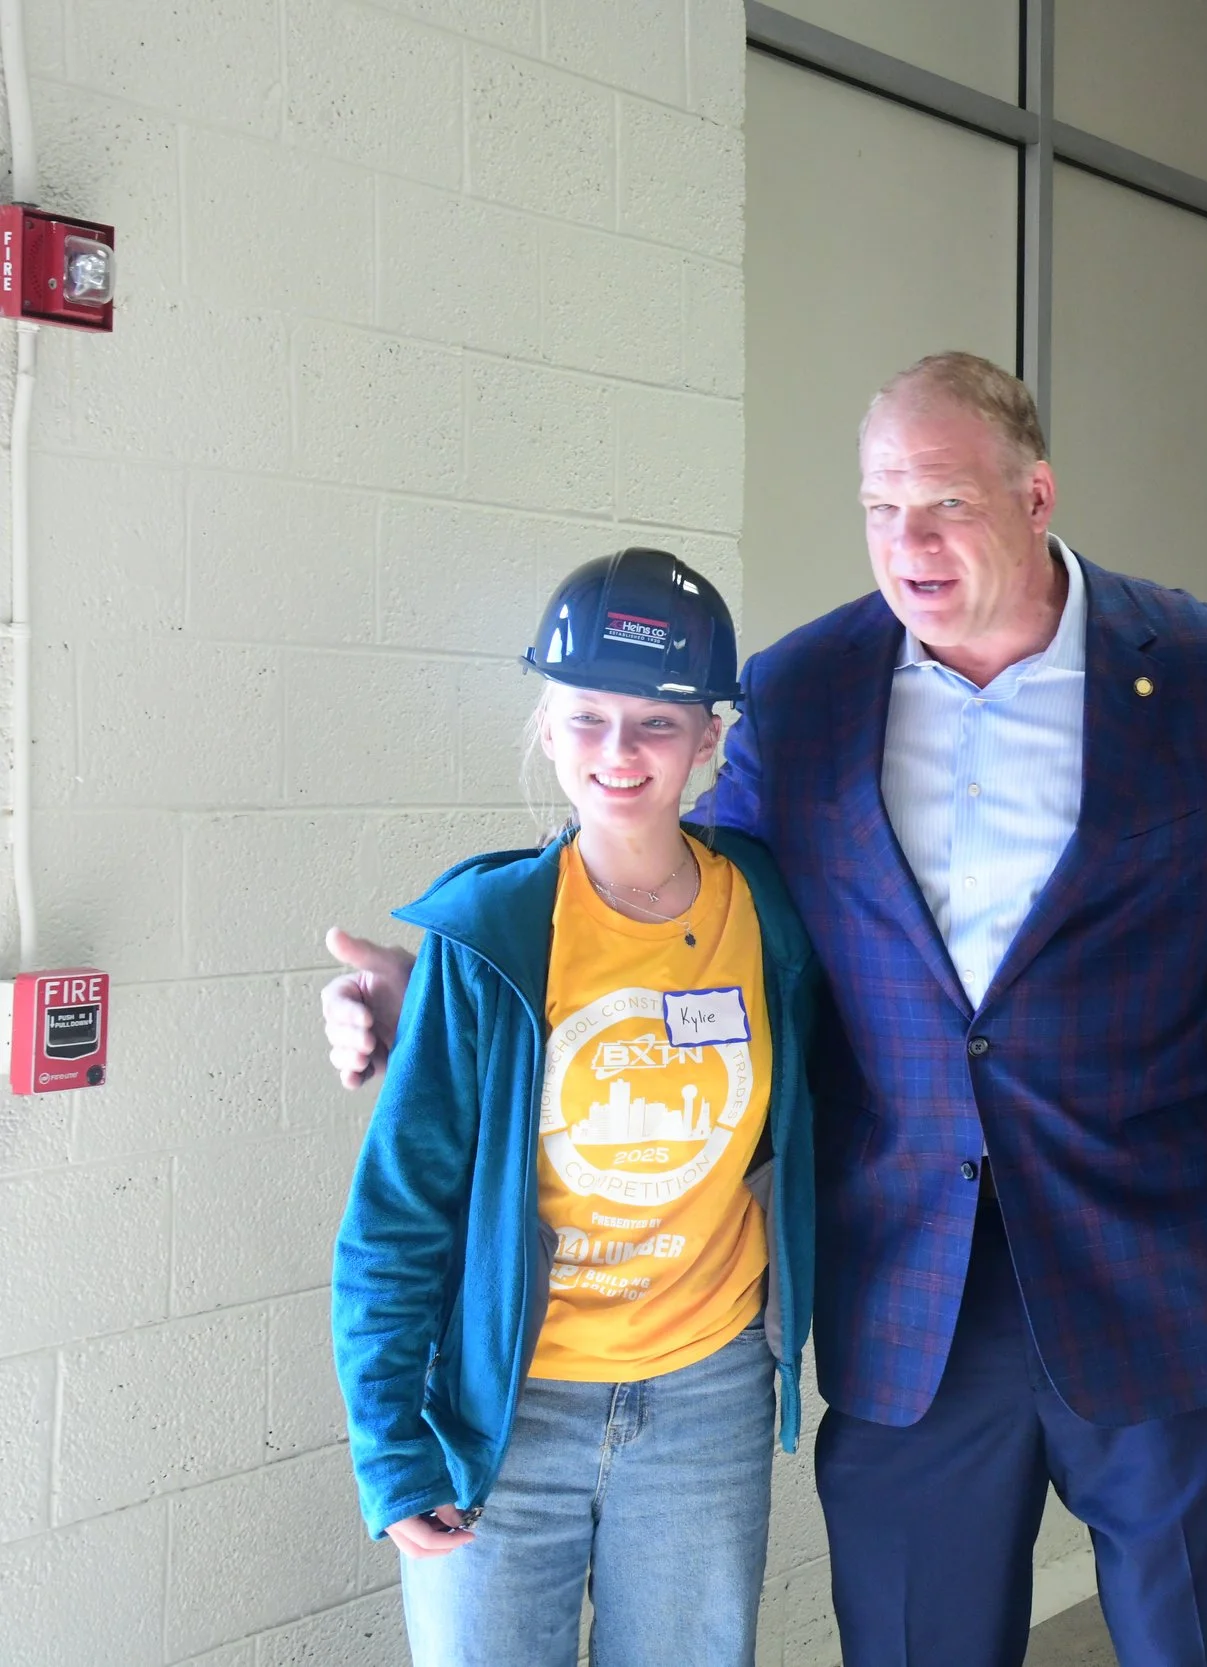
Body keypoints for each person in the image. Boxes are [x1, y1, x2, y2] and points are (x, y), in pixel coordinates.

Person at [321, 352, 1207, 1667]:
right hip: (911, 1295)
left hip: (1162, 1278)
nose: (907, 542)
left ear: (1038, 492)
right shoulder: (806, 689)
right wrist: (435, 988)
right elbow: (668, 906)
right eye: (881, 508)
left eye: (943, 503)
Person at [330, 548, 822, 1666]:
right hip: (507, 1410)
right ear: (548, 726)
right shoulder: (493, 934)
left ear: (709, 739)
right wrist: (391, 1446)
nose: (618, 751)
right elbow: (396, 1217)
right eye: (588, 716)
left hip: (707, 1401)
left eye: (656, 722)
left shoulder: (775, 916)